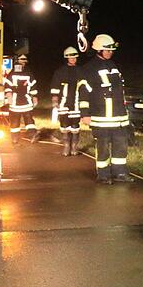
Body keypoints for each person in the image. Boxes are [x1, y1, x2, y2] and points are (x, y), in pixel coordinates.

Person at [77, 34, 133, 184]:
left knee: (121, 145)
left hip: (119, 117)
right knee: (102, 146)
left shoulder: (114, 65)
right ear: (98, 50)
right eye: (106, 50)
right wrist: (85, 114)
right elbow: (83, 92)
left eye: (111, 50)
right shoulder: (88, 69)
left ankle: (120, 173)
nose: (109, 53)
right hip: (100, 117)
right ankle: (103, 175)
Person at [50, 46, 83, 156]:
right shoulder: (60, 72)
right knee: (64, 126)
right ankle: (66, 147)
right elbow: (55, 87)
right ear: (66, 58)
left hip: (76, 103)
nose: (73, 59)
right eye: (71, 57)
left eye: (75, 57)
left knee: (75, 126)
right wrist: (55, 100)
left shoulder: (81, 71)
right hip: (64, 103)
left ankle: (74, 148)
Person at [3, 54, 39, 144]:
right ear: (17, 60)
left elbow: (33, 85)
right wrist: (8, 94)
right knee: (14, 122)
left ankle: (33, 135)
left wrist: (34, 97)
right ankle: (15, 139)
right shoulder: (12, 73)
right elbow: (8, 84)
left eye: (25, 60)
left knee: (29, 120)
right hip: (15, 102)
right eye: (21, 60)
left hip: (26, 101)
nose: (23, 62)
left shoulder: (28, 72)